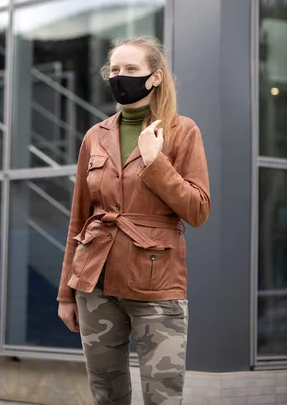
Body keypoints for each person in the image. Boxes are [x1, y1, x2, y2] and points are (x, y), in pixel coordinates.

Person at [57, 36, 210, 405]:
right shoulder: (96, 136)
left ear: (155, 77)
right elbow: (79, 217)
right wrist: (66, 293)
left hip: (156, 284)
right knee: (106, 394)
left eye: (131, 70)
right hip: (94, 283)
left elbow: (198, 210)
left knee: (163, 396)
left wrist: (156, 162)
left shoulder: (181, 130)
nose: (119, 76)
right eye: (115, 70)